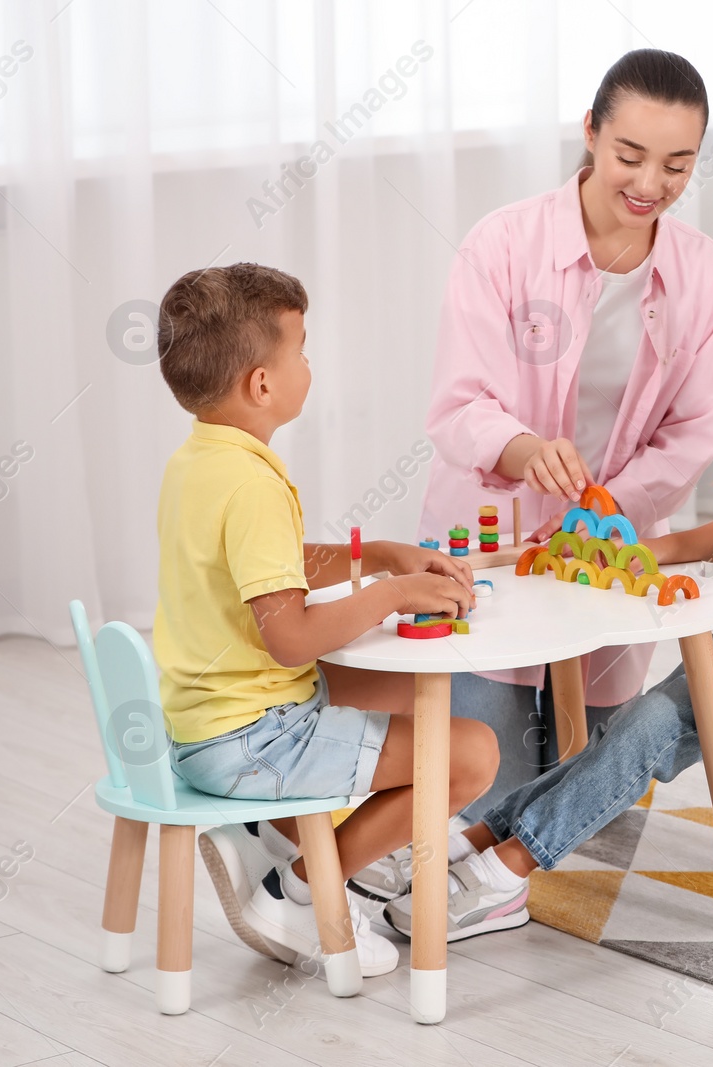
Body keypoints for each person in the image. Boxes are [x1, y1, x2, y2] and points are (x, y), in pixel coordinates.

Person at [380, 217, 713, 942]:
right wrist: (636, 549)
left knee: (651, 726)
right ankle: (480, 842)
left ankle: (507, 868)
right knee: (640, 723)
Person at [404, 49, 713, 868]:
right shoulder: (502, 246)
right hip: (497, 547)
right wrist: (522, 451)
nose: (650, 183)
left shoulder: (702, 272)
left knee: (598, 811)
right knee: (484, 801)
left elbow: (696, 427)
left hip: (606, 550)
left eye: (677, 164)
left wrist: (606, 504)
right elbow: (458, 403)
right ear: (590, 133)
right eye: (630, 155)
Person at [152, 263, 499, 974]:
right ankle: (305, 890)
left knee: (407, 689)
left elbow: (265, 570)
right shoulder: (251, 483)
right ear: (262, 383)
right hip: (253, 737)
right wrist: (392, 592)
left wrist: (373, 555)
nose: (310, 363)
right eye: (301, 349)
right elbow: (288, 638)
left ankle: (286, 838)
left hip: (207, 720)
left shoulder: (200, 459)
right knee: (471, 754)